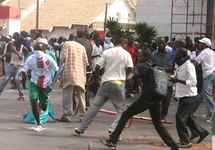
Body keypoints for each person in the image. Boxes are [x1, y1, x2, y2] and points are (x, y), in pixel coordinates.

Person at [100, 50, 180, 150]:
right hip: (157, 98)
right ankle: (174, 146)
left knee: (125, 115)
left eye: (141, 56)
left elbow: (129, 78)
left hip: (146, 98)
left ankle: (112, 141)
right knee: (158, 123)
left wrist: (130, 90)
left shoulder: (140, 66)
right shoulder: (155, 66)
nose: (138, 58)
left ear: (146, 57)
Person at [74, 36, 133, 136]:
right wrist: (130, 87)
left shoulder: (107, 52)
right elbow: (130, 70)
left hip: (105, 83)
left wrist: (97, 78)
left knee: (94, 107)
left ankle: (80, 129)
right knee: (121, 110)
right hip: (118, 84)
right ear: (124, 44)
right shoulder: (126, 54)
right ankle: (113, 129)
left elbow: (97, 67)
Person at [169, 47, 209, 148]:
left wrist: (178, 80)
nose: (175, 54)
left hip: (189, 95)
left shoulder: (189, 66)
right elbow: (176, 76)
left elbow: (193, 82)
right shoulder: (178, 64)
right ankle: (202, 132)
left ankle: (186, 141)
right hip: (182, 94)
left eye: (177, 53)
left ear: (182, 55)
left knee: (180, 117)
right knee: (186, 117)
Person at [19, 42, 59, 132]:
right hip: (34, 83)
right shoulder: (30, 59)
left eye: (39, 50)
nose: (37, 52)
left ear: (44, 49)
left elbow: (57, 71)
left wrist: (52, 84)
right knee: (34, 102)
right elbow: (24, 69)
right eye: (36, 50)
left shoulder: (49, 59)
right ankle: (38, 124)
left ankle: (41, 105)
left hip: (46, 85)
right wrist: (21, 74)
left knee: (44, 108)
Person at [56, 34, 89, 122]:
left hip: (70, 73)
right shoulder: (82, 47)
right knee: (81, 96)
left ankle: (67, 115)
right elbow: (86, 62)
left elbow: (62, 59)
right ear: (76, 38)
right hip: (80, 74)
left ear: (69, 38)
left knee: (67, 96)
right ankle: (83, 116)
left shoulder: (66, 44)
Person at [192, 38, 215, 122]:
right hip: (212, 74)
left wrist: (203, 67)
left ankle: (213, 115)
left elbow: (196, 63)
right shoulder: (212, 52)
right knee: (203, 95)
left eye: (201, 43)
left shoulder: (204, 52)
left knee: (207, 95)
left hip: (208, 75)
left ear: (205, 45)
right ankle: (191, 111)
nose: (199, 44)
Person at [152, 36, 174, 120]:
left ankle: (164, 115)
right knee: (157, 100)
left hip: (169, 80)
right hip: (158, 81)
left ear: (165, 43)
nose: (161, 45)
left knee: (166, 101)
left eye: (163, 43)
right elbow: (153, 67)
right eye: (159, 43)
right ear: (156, 43)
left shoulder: (170, 53)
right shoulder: (154, 54)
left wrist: (162, 69)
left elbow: (174, 67)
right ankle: (157, 116)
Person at [0, 36, 28, 100]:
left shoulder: (24, 48)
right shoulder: (12, 44)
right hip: (11, 65)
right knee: (6, 79)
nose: (15, 41)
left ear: (20, 42)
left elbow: (28, 55)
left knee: (17, 79)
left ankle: (22, 95)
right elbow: (12, 49)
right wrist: (18, 54)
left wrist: (27, 65)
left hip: (19, 66)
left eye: (17, 40)